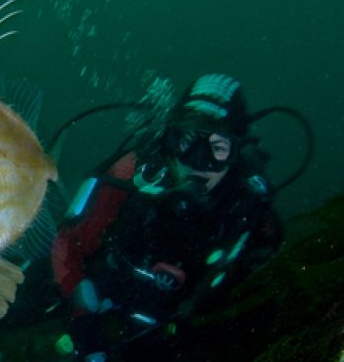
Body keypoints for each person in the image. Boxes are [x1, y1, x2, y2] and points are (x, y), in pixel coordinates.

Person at [50, 74, 290, 361]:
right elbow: (67, 240)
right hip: (101, 303)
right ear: (170, 139)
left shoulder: (247, 206)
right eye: (187, 141)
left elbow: (258, 277)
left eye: (218, 148)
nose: (199, 163)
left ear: (236, 153)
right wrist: (79, 302)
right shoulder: (135, 172)